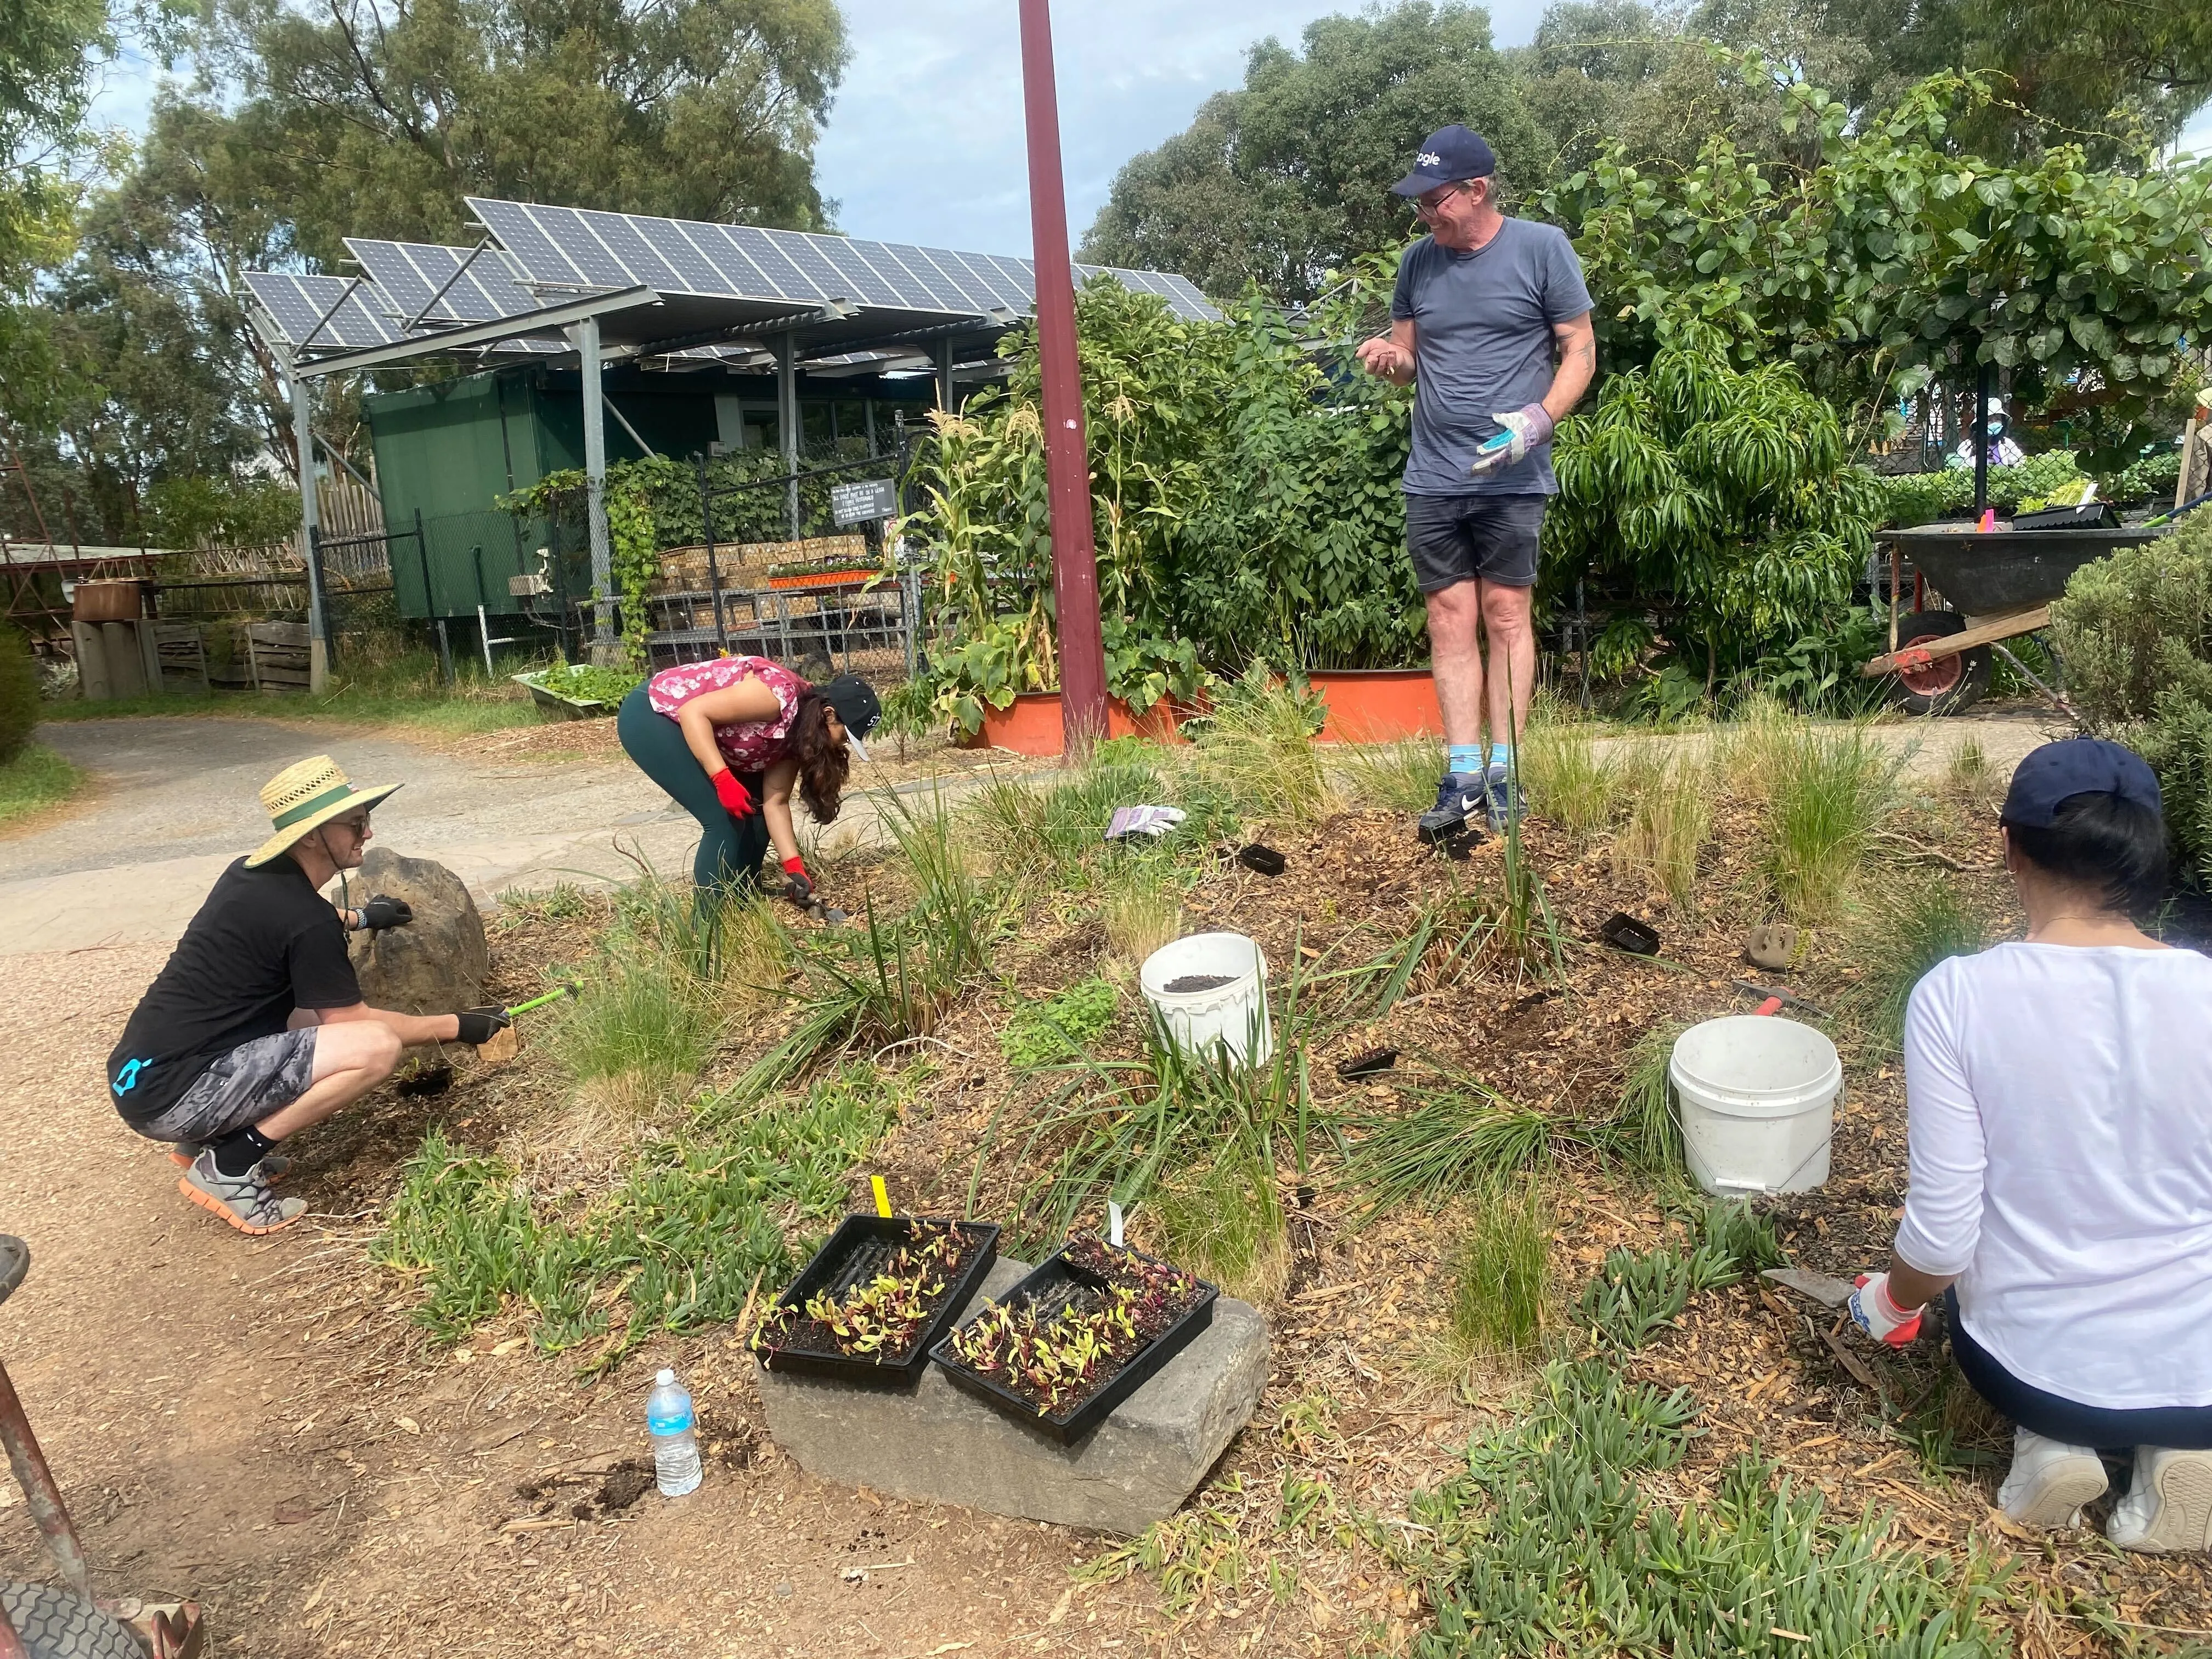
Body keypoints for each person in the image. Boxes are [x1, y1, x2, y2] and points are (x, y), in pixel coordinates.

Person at [1848, 738, 2212, 1552]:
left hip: (2034, 1369)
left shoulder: (1958, 997)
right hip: (2205, 1373)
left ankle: (2051, 1445)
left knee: (2038, 1371)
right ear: (2148, 852)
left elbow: (1942, 1240)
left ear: (2008, 846)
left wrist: (1890, 1301)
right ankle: (2179, 1450)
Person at [108, 756, 512, 1237]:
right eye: (356, 823)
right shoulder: (306, 921)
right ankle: (231, 1163)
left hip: (139, 1079)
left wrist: (363, 918)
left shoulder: (248, 877)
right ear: (310, 835)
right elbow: (353, 1023)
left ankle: (204, 1140)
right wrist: (459, 1025)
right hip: (176, 1097)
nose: (367, 832)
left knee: (304, 1016)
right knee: (374, 1047)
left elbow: (292, 924)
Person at [1355, 123, 1598, 841]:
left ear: (1477, 191)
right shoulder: (1416, 263)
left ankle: (1505, 774)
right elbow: (1410, 360)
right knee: (1448, 622)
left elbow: (1580, 349)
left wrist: (1539, 422)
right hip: (1433, 476)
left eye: (1433, 201)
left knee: (1506, 618)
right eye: (1419, 204)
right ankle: (1461, 775)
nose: (1424, 214)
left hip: (1511, 475)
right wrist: (1386, 360)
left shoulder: (1542, 248)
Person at [616, 655, 881, 901]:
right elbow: (693, 713)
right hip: (655, 713)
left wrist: (794, 868)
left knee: (755, 810)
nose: (841, 746)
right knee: (724, 819)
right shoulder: (779, 695)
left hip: (695, 725)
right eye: (845, 737)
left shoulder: (801, 734)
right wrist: (723, 780)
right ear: (829, 715)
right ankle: (708, 932)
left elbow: (774, 803)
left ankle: (742, 898)